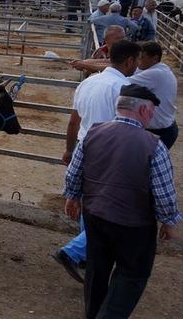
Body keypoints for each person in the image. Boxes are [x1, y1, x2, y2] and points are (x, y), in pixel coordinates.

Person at [63, 84, 179, 319]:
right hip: (134, 225)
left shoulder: (94, 133)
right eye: (153, 112)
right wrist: (169, 221)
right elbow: (163, 195)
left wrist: (72, 196)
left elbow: (74, 172)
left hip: (95, 215)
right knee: (131, 275)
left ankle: (93, 314)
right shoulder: (154, 146)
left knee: (97, 269)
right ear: (145, 111)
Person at [55, 40, 141, 284]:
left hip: (84, 147)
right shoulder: (126, 87)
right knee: (107, 209)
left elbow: (74, 121)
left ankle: (86, 255)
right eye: (136, 62)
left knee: (89, 205)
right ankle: (74, 252)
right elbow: (129, 126)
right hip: (110, 152)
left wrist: (69, 150)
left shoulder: (87, 83)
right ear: (129, 61)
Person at [129, 41, 178, 149]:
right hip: (163, 128)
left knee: (144, 163)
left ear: (154, 58)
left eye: (142, 57)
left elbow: (122, 81)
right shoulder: (157, 69)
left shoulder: (155, 73)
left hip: (160, 132)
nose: (139, 61)